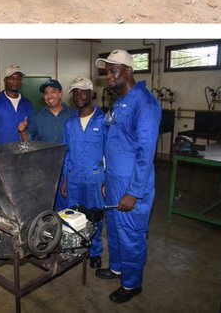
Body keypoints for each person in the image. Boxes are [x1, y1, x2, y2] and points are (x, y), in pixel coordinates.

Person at [95, 49, 161, 304]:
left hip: (133, 183)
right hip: (114, 180)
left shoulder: (143, 102)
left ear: (129, 71)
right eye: (106, 72)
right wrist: (107, 180)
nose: (108, 76)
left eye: (113, 71)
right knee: (114, 228)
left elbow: (146, 151)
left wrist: (133, 192)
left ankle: (132, 284)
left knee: (131, 234)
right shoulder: (121, 100)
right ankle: (118, 268)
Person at [61, 76, 106, 270]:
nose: (79, 95)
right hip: (73, 178)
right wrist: (64, 178)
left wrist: (107, 181)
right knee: (73, 214)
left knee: (95, 215)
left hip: (96, 177)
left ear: (92, 94)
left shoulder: (104, 121)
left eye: (83, 91)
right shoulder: (70, 123)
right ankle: (75, 249)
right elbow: (66, 153)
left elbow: (110, 153)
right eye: (75, 92)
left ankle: (95, 252)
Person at [23, 78, 71, 209]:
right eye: (46, 93)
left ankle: (65, 229)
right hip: (45, 169)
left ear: (60, 93)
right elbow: (27, 141)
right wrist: (22, 131)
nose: (49, 96)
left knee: (67, 208)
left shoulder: (73, 115)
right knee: (45, 206)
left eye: (53, 91)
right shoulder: (37, 117)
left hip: (67, 169)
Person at [0, 64, 34, 146]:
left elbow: (32, 130)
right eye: (11, 78)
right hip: (1, 154)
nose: (15, 81)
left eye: (18, 78)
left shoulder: (27, 104)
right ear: (5, 80)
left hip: (23, 154)